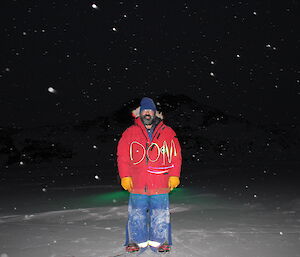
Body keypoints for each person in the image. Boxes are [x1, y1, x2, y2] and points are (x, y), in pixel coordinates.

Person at [117, 97, 182, 253]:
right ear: (139, 113)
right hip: (137, 182)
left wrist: (174, 175)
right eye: (144, 110)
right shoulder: (129, 132)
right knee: (136, 214)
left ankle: (159, 242)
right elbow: (123, 156)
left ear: (155, 113)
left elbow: (176, 155)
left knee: (160, 214)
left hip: (160, 181)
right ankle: (136, 242)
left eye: (150, 110)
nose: (147, 113)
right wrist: (125, 176)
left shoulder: (167, 132)